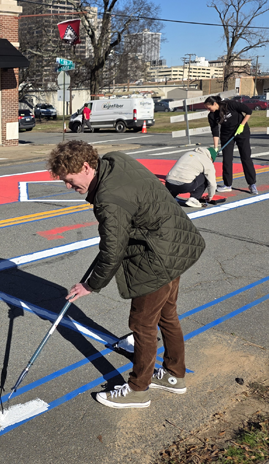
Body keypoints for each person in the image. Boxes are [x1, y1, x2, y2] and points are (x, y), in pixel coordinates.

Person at [48, 141, 206, 409]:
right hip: (176, 243)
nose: (67, 186)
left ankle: (137, 390)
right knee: (167, 316)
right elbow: (122, 230)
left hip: (157, 257)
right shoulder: (114, 160)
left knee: (142, 325)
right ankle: (174, 375)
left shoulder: (108, 201)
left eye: (70, 180)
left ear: (86, 167)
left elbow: (112, 250)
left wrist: (90, 285)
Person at [204, 95, 257, 194]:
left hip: (241, 132)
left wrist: (242, 125)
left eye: (208, 107)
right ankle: (227, 185)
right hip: (227, 135)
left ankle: (252, 184)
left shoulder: (230, 105)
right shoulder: (211, 115)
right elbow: (215, 132)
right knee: (227, 159)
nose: (208, 109)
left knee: (246, 157)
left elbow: (249, 111)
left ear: (215, 104)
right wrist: (215, 147)